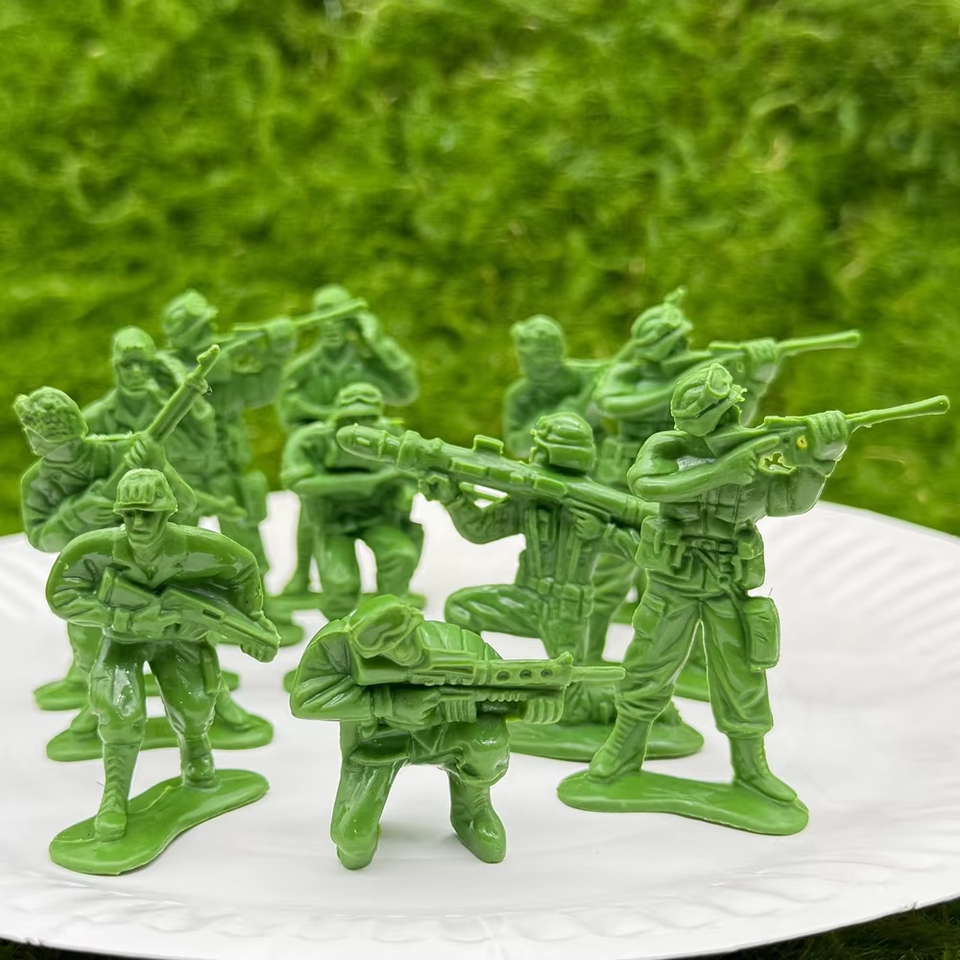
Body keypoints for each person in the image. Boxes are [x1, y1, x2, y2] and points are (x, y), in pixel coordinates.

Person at [586, 362, 848, 805]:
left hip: (727, 584)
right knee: (648, 664)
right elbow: (646, 485)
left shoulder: (756, 456)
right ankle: (622, 752)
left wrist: (821, 461)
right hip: (672, 582)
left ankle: (751, 769)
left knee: (741, 676)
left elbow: (790, 499)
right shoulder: (668, 448)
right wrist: (720, 472)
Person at [46, 469, 280, 841]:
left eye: (149, 514)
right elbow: (61, 595)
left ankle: (197, 757)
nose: (139, 523)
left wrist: (252, 619)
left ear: (167, 513)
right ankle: (114, 798)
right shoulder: (92, 550)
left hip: (180, 641)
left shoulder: (204, 547)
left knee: (194, 705)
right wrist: (126, 617)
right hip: (121, 641)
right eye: (131, 514)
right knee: (118, 714)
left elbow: (244, 569)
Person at [289, 595, 564, 869]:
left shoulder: (458, 645)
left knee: (488, 741)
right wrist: (388, 703)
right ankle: (362, 828)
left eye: (405, 640)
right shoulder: (334, 648)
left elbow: (502, 691)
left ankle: (472, 810)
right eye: (386, 649)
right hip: (374, 744)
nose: (402, 652)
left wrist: (532, 707)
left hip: (448, 734)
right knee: (353, 842)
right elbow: (305, 701)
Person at [277, 284, 419, 597]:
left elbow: (405, 390)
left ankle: (394, 584)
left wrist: (377, 343)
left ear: (351, 323)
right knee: (312, 511)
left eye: (339, 319)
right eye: (323, 318)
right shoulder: (302, 369)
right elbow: (288, 414)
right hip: (323, 456)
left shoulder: (368, 365)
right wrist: (327, 425)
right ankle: (302, 575)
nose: (331, 327)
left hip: (369, 453)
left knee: (391, 509)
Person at [280, 382, 422, 621]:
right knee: (341, 585)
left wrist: (405, 492)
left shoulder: (392, 437)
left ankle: (389, 620)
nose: (361, 424)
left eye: (368, 417)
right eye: (353, 418)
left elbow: (413, 473)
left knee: (400, 556)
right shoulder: (312, 439)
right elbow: (297, 481)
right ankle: (337, 633)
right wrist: (365, 482)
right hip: (332, 520)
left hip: (378, 516)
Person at [501, 315, 605, 459]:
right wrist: (553, 418)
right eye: (525, 360)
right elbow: (516, 445)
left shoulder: (591, 377)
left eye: (542, 362)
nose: (530, 368)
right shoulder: (517, 396)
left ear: (559, 354)